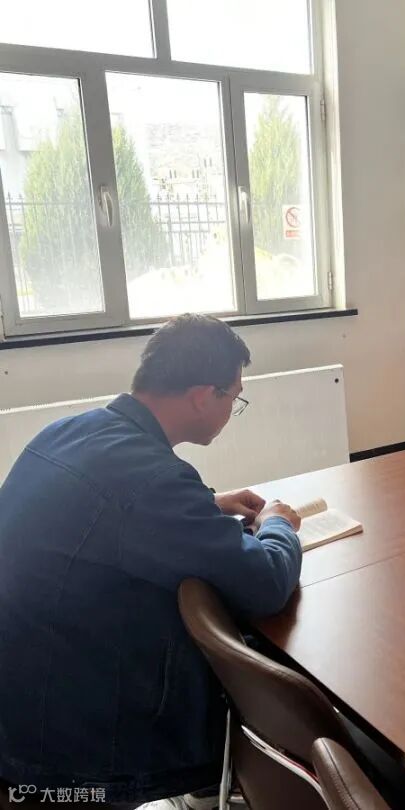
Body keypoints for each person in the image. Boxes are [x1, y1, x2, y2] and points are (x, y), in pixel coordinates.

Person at [0, 315, 303, 805]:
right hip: (68, 748)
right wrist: (277, 524)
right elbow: (266, 582)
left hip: (25, 699)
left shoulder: (70, 431)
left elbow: (107, 511)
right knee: (250, 652)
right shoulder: (151, 482)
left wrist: (207, 504)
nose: (233, 409)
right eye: (234, 397)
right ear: (203, 396)